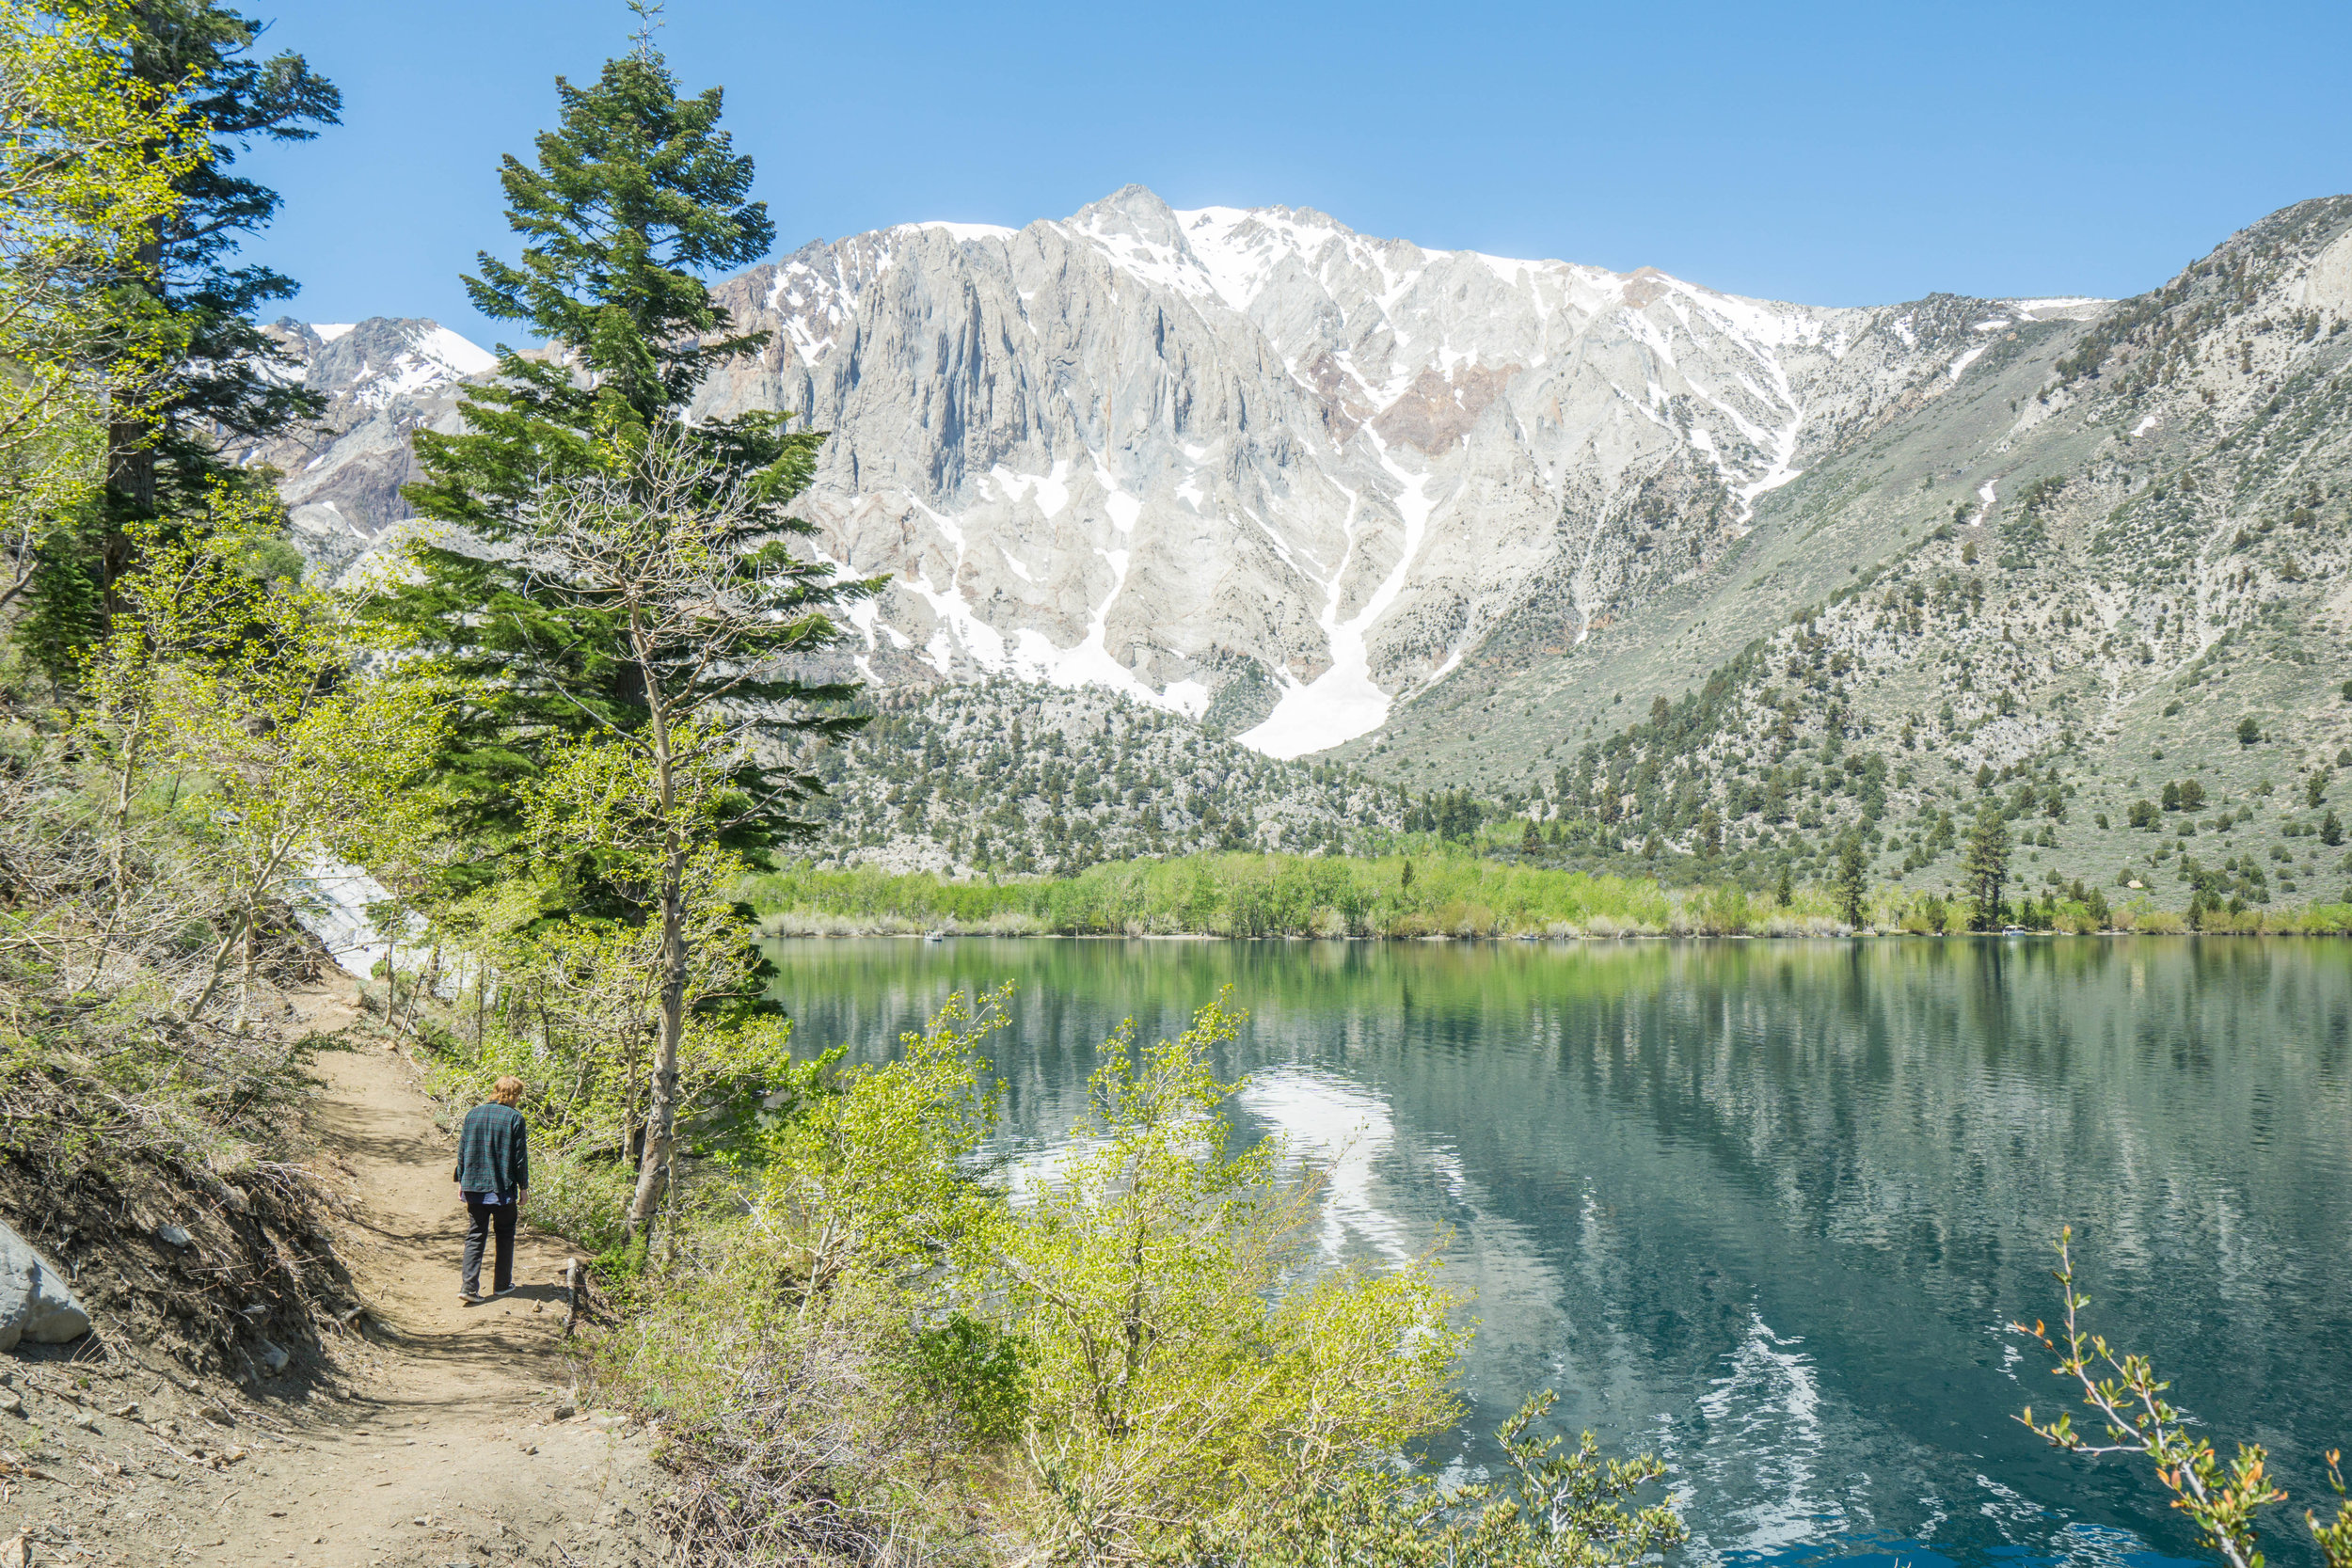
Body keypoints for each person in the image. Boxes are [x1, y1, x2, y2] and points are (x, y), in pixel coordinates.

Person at [453, 1075, 530, 1305]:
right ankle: (502, 1285)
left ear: (495, 1091)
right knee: (505, 1233)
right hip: (501, 1189)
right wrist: (523, 1187)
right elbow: (519, 1159)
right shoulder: (515, 1118)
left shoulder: (473, 1114)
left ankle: (468, 1287)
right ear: (514, 1095)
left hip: (474, 1186)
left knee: (475, 1235)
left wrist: (461, 1180)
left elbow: (463, 1149)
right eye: (518, 1095)